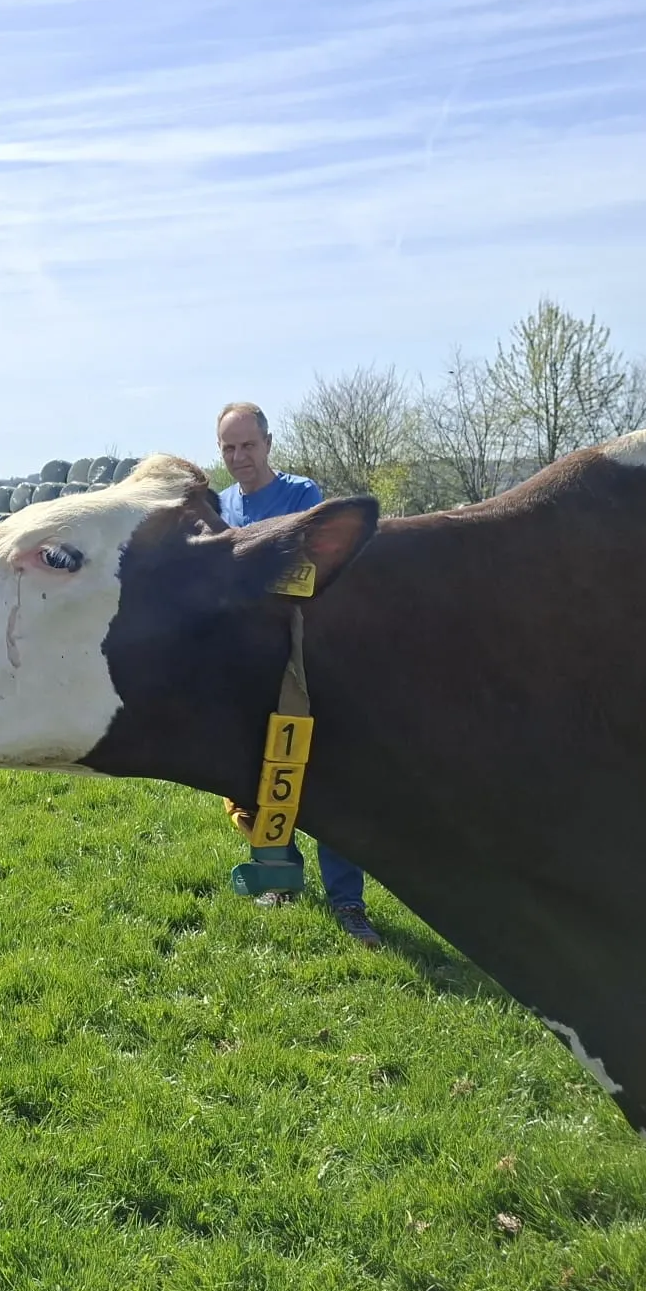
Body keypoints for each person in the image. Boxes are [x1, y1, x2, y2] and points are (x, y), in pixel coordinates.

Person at [215, 400, 381, 950]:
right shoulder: (220, 507)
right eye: (229, 447)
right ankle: (278, 878)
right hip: (246, 667)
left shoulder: (303, 497)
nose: (240, 456)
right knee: (258, 778)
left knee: (325, 776)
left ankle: (347, 900)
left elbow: (313, 572)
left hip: (306, 662)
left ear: (268, 443)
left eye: (248, 444)